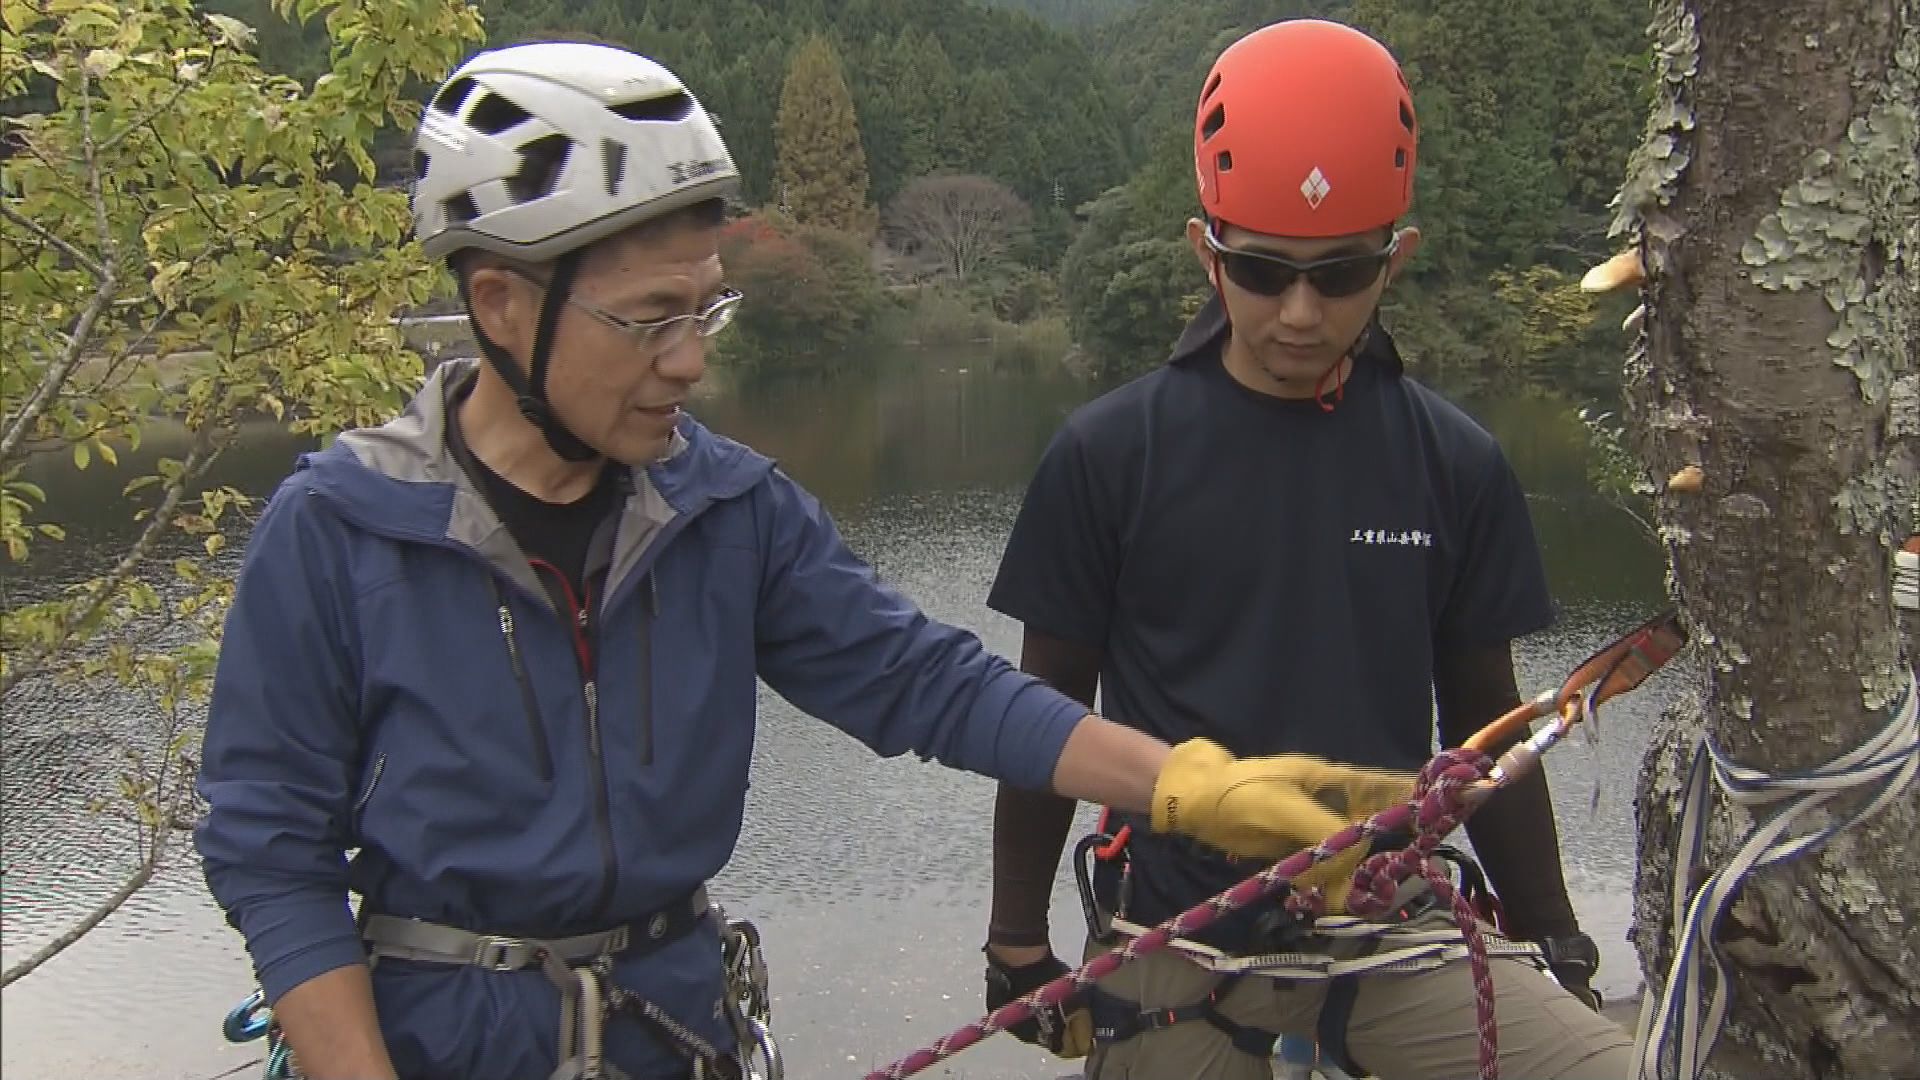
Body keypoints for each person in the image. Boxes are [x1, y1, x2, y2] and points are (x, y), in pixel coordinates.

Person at [191, 39, 1428, 1080]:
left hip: (668, 1031)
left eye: (708, 308)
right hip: (434, 1038)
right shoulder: (344, 531)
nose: (691, 360)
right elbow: (272, 855)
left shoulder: (725, 509)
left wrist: (1185, 786)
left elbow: (932, 685)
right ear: (505, 306)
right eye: (653, 319)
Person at [978, 18, 1634, 1080]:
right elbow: (1044, 717)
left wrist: (1553, 933)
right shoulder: (1108, 456)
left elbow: (1484, 729)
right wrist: (1015, 942)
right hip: (1179, 936)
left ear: (1396, 258)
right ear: (1206, 250)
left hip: (1389, 926)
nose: (1297, 312)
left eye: (1339, 276)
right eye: (1260, 269)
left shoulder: (1452, 463)